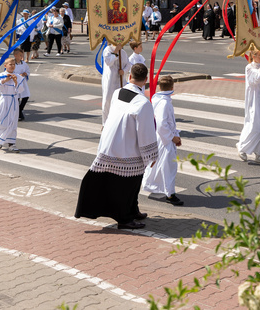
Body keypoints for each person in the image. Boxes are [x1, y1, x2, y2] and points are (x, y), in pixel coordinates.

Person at [75, 63, 158, 230]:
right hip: (127, 148)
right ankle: (125, 219)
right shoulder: (143, 103)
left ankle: (133, 210)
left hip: (110, 142)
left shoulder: (118, 92)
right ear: (146, 80)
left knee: (132, 182)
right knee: (127, 184)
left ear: (129, 77)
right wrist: (151, 155)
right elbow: (145, 132)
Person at [142, 75, 183, 206]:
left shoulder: (157, 99)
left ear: (160, 87)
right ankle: (170, 194)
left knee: (158, 164)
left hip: (160, 137)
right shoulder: (164, 102)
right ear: (172, 87)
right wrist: (173, 137)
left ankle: (151, 184)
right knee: (169, 167)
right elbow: (161, 124)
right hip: (165, 139)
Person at [0, 57, 25, 152]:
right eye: (10, 64)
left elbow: (20, 90)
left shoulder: (18, 77)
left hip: (14, 100)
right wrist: (4, 81)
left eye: (14, 64)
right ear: (5, 65)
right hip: (4, 100)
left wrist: (15, 82)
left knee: (13, 122)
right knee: (2, 120)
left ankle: (11, 143)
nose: (12, 66)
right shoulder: (1, 75)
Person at [102, 43, 129, 124]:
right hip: (110, 81)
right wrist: (116, 51)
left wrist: (124, 71)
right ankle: (105, 123)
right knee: (108, 100)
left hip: (121, 80)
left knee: (121, 100)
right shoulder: (108, 50)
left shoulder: (123, 52)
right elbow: (108, 62)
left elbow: (128, 64)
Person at [13, 48, 31, 122]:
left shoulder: (24, 63)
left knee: (26, 96)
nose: (21, 56)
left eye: (22, 55)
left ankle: (20, 110)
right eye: (20, 55)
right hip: (15, 83)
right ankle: (18, 113)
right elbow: (9, 72)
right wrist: (17, 76)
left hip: (23, 83)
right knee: (16, 98)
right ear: (15, 55)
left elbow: (28, 71)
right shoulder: (12, 63)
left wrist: (25, 74)